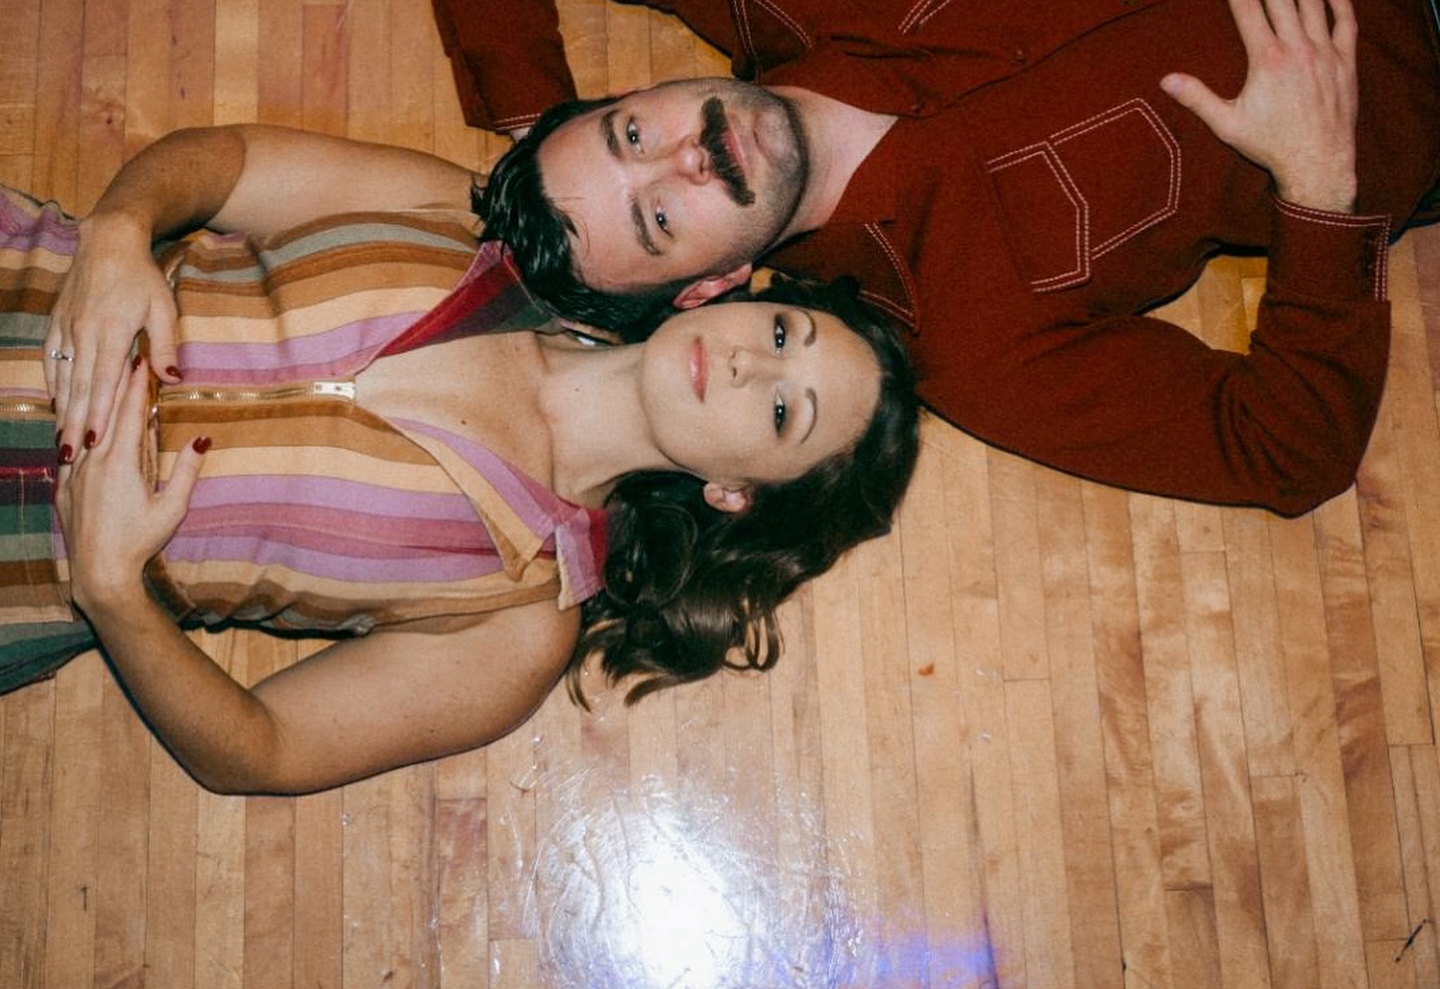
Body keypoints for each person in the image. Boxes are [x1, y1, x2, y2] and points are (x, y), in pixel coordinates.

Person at [412, 0, 1440, 518]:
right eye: (659, 218)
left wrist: (531, 129)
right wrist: (1318, 186)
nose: (685, 157)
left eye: (629, 134)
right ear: (707, 290)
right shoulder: (969, 336)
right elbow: (1285, 456)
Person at [0, 126, 919, 794]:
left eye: (782, 407)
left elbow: (262, 751)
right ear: (727, 294)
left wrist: (115, 589)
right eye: (782, 331)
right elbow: (225, 163)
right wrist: (122, 229)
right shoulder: (471, 226)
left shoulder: (514, 627)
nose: (748, 361)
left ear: (738, 492)